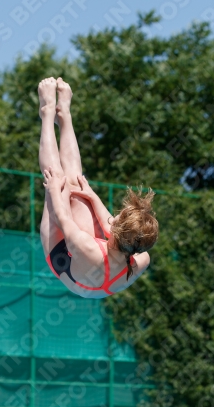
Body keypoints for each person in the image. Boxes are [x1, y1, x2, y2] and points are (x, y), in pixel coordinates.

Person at [38, 77, 159, 299]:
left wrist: (54, 189)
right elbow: (110, 225)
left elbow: (63, 216)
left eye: (117, 217)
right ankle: (64, 114)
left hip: (65, 260)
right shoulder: (141, 254)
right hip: (99, 265)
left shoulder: (88, 247)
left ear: (115, 234)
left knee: (60, 181)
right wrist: (91, 194)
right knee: (77, 183)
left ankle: (46, 112)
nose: (113, 216)